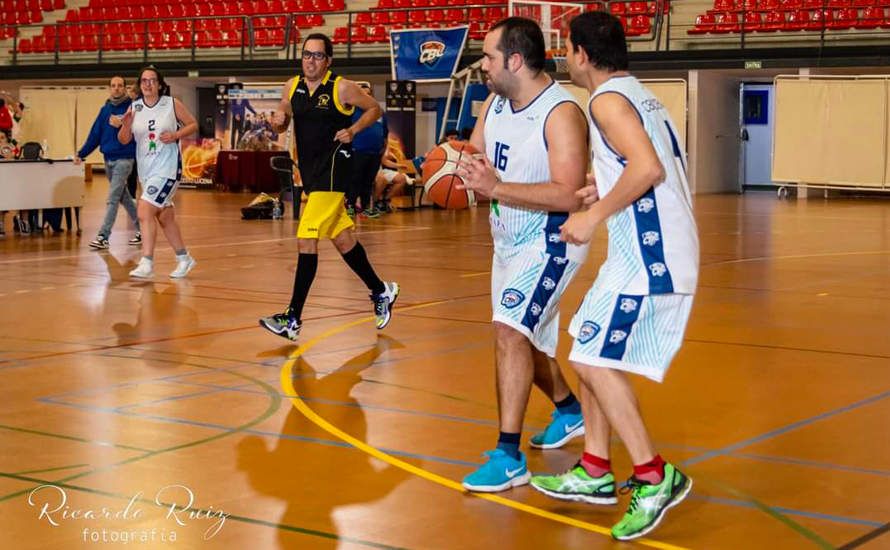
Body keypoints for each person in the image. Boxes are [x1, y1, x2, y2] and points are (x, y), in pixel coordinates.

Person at [528, 12, 698, 541]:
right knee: (583, 336)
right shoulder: (633, 92)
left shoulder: (604, 100)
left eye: (566, 49)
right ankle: (596, 470)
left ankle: (654, 474)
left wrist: (589, 217)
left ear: (580, 53)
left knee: (591, 359)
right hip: (636, 252)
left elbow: (648, 168)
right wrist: (600, 188)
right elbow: (638, 165)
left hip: (654, 255)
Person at [455, 17, 591, 493]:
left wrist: (497, 187)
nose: (483, 65)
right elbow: (475, 149)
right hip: (507, 240)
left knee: (509, 331)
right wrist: (460, 164)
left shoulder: (561, 113)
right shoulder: (494, 102)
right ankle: (571, 413)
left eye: (489, 57)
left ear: (515, 60)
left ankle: (509, 456)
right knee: (524, 340)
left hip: (552, 241)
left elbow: (571, 194)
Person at [258, 33, 399, 341]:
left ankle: (292, 317)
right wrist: (279, 121)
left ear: (328, 60)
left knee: (305, 238)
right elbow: (283, 118)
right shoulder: (291, 86)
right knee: (343, 239)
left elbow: (375, 109)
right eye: (307, 55)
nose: (311, 60)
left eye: (318, 55)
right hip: (310, 172)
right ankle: (381, 291)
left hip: (335, 171)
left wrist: (354, 129)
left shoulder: (342, 87)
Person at [118, 65, 199, 279]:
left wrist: (175, 135)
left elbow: (193, 125)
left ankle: (147, 262)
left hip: (168, 168)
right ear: (139, 84)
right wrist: (125, 126)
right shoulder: (134, 108)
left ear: (159, 84)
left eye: (152, 80)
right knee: (165, 218)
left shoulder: (171, 104)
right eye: (144, 80)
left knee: (144, 211)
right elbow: (124, 140)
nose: (147, 84)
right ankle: (184, 258)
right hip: (147, 171)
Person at [75, 75, 141, 249]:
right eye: (113, 85)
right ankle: (143, 228)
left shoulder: (133, 108)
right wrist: (81, 154)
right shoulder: (105, 110)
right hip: (108, 160)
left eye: (120, 85)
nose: (117, 88)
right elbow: (95, 135)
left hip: (125, 159)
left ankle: (103, 236)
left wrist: (124, 125)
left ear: (125, 88)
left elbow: (141, 131)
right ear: (109, 88)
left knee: (112, 198)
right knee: (124, 197)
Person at [346, 82, 387, 219]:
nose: (367, 96)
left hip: (375, 153)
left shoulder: (380, 112)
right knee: (355, 180)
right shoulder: (351, 112)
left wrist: (382, 149)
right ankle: (350, 207)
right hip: (357, 151)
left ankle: (365, 208)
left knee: (368, 182)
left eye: (369, 94)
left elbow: (385, 133)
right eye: (363, 94)